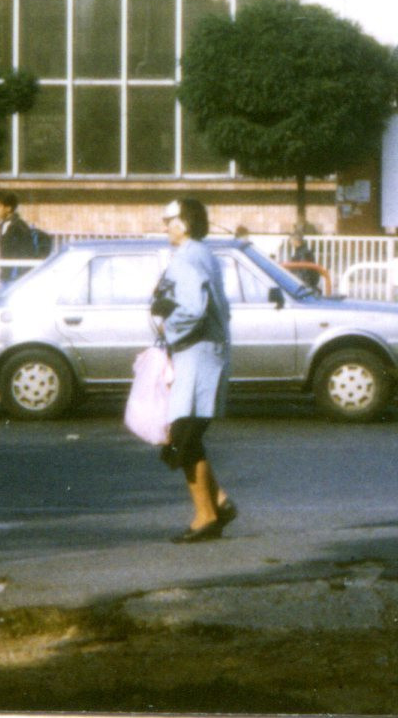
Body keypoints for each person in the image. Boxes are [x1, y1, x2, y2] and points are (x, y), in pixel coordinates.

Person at [152, 195, 235, 542]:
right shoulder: (203, 253)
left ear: (183, 224)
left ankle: (205, 517)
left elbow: (192, 308)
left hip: (195, 360)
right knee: (188, 436)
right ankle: (219, 502)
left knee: (183, 440)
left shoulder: (186, 258)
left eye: (169, 220)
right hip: (203, 357)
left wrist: (165, 329)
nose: (165, 227)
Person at [0, 192, 52, 265]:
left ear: (8, 208)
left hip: (15, 271)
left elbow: (24, 253)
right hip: (7, 269)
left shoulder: (18, 226)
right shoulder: (5, 225)